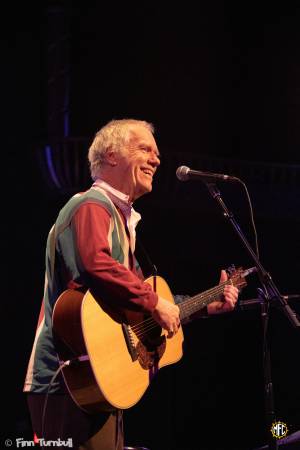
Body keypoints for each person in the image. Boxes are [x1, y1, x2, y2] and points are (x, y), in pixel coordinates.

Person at [24, 119, 239, 450]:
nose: (157, 159)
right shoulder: (92, 205)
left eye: (157, 153)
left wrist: (204, 304)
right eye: (145, 149)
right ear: (111, 155)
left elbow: (139, 303)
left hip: (98, 379)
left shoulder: (122, 221)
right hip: (65, 379)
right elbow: (97, 264)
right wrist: (155, 303)